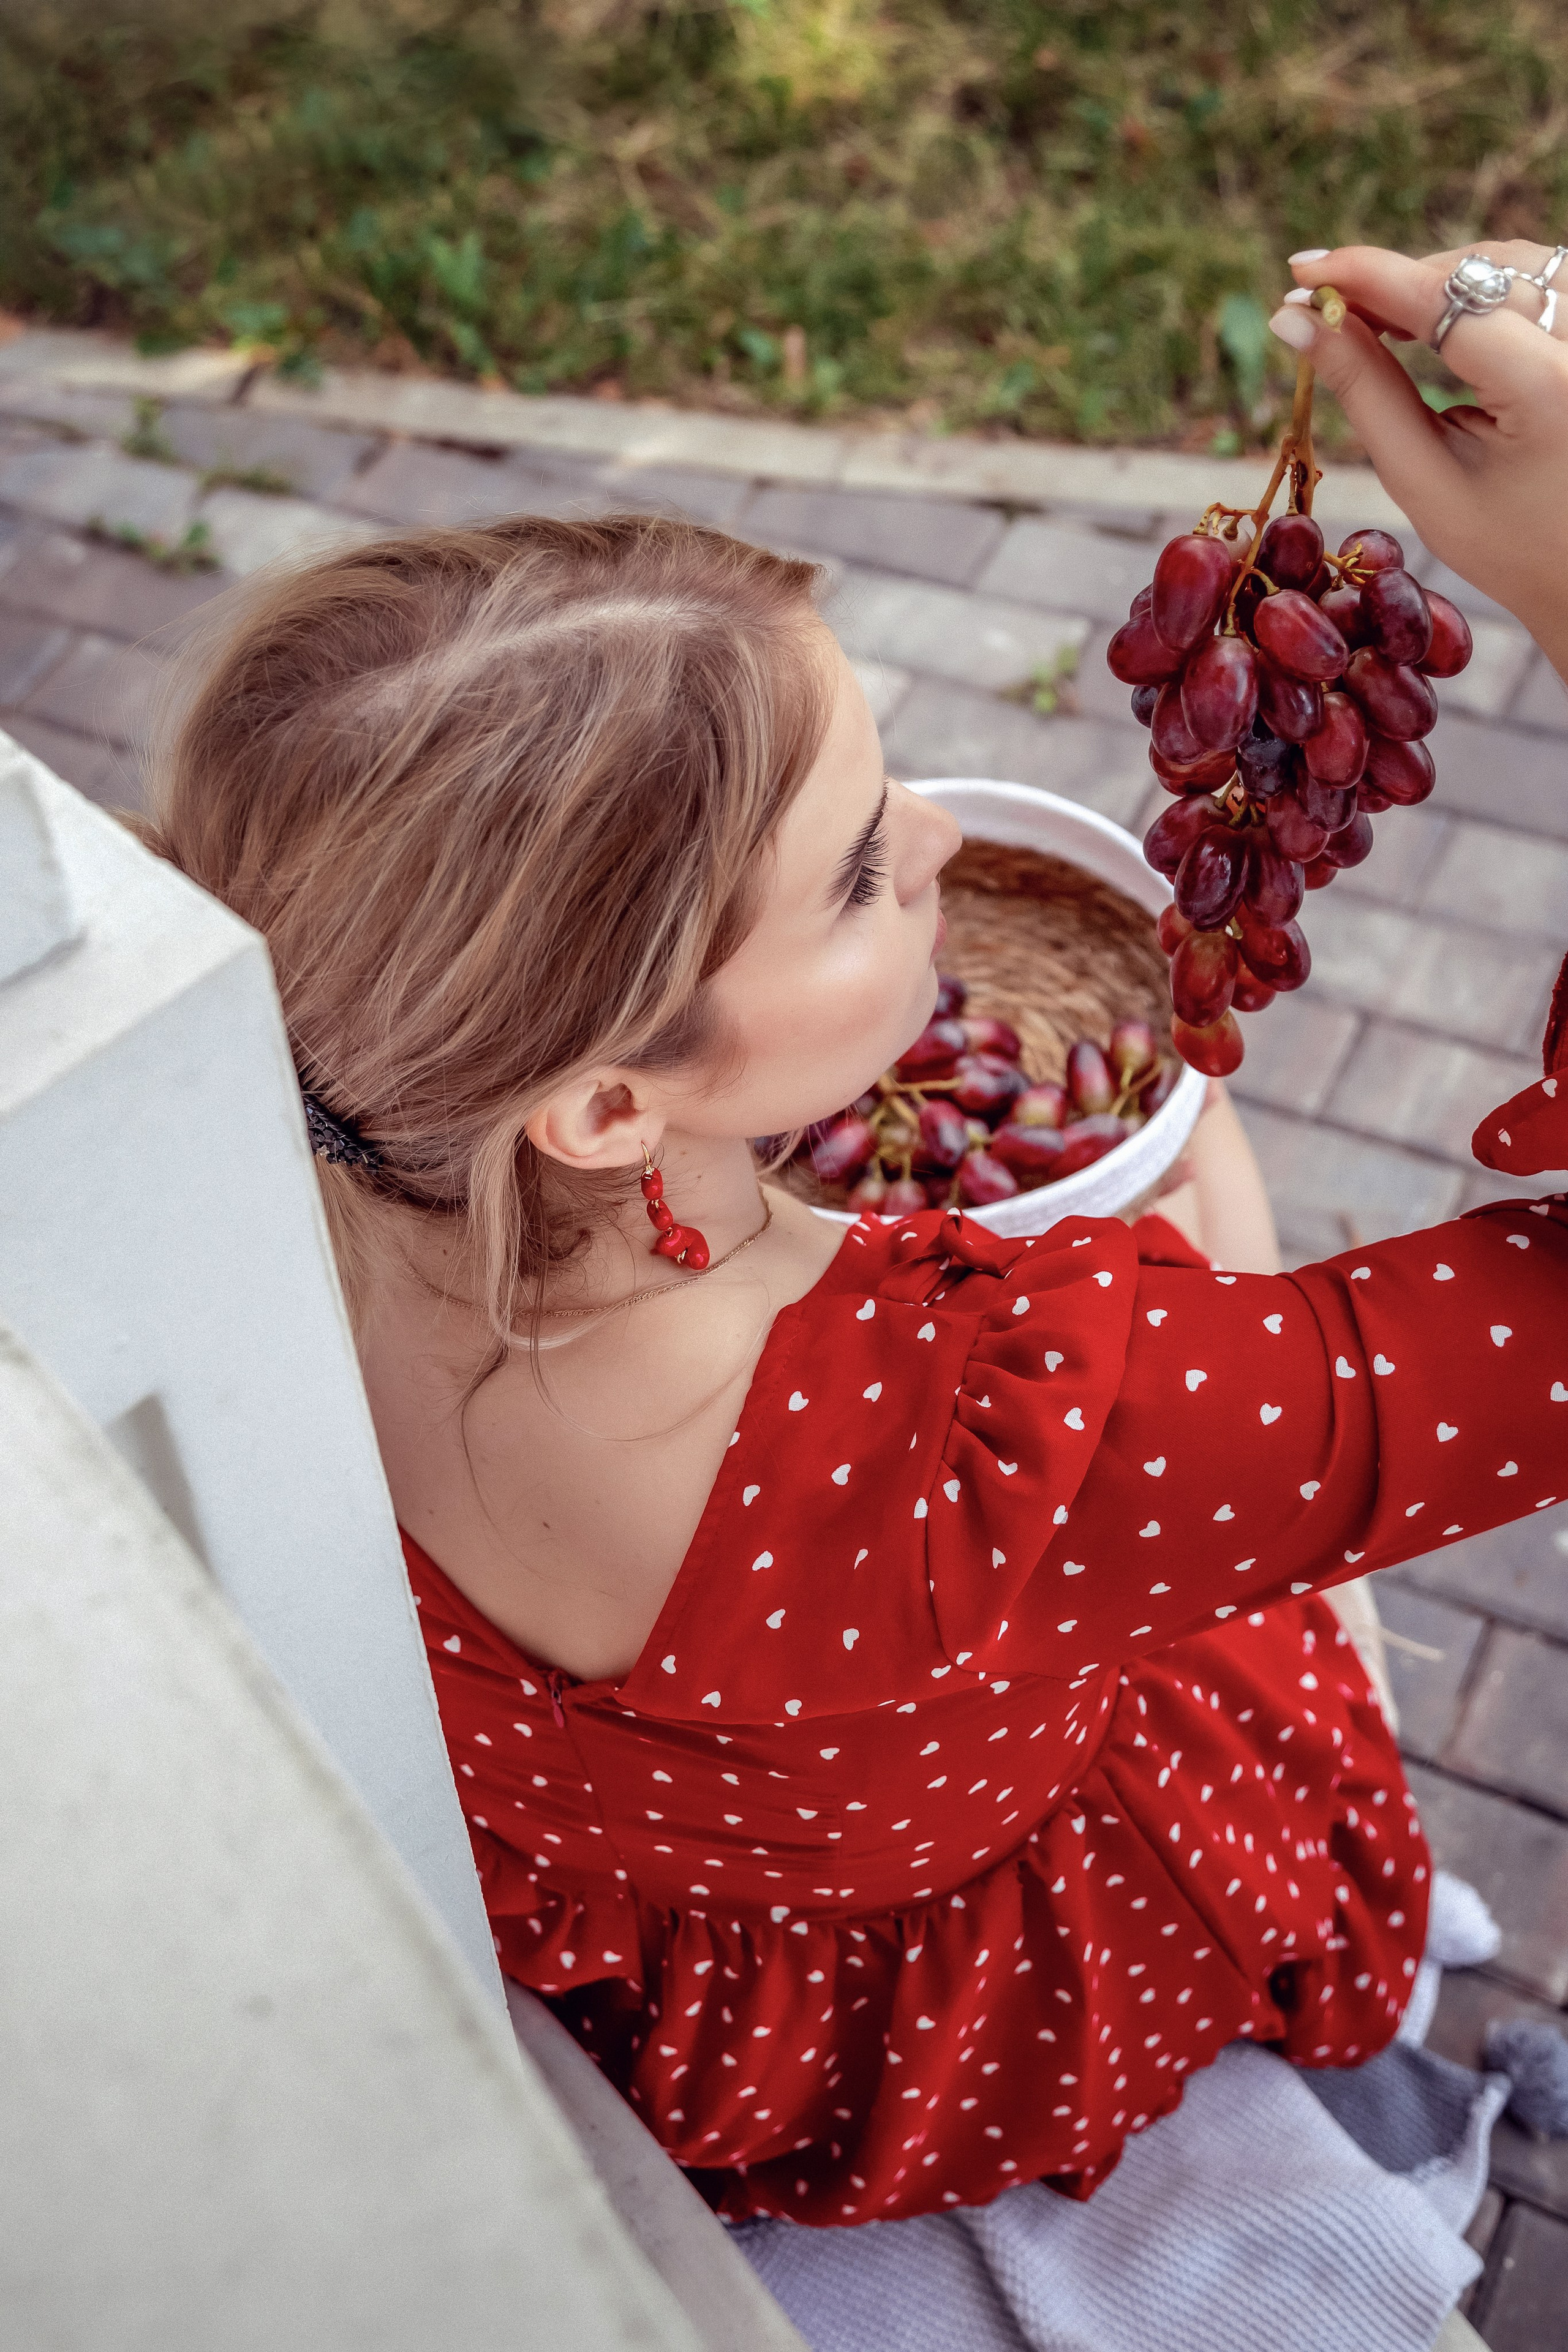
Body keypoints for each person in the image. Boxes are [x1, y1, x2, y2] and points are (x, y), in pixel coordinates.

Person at [134, 236, 1568, 2231]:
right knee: (1214, 1180)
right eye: (858, 869)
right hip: (976, 1961)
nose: (944, 848)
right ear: (613, 1105)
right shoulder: (977, 1438)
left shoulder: (264, 1171)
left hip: (708, 1957)